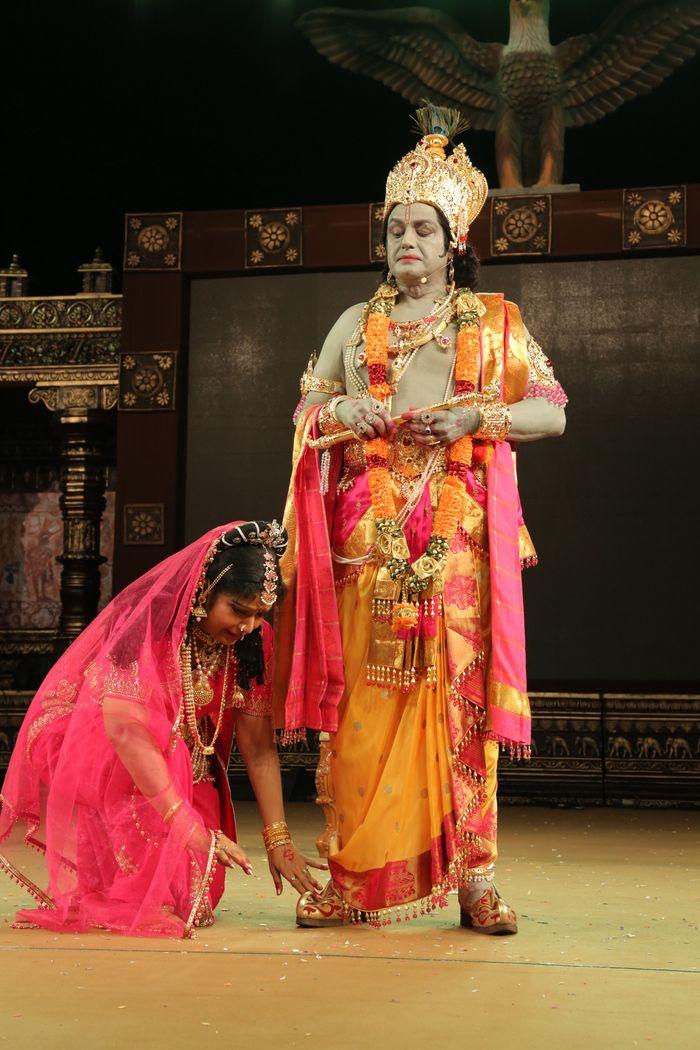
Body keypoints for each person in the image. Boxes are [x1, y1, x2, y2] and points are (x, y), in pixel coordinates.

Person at [274, 104, 567, 933]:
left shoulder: (494, 324)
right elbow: (304, 410)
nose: (407, 240)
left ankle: (475, 880)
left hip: (458, 546)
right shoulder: (350, 325)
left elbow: (553, 410)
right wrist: (345, 412)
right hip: (366, 544)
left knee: (463, 710)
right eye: (396, 227)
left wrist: (479, 417)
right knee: (363, 707)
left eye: (424, 230)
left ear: (453, 245)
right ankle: (352, 878)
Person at [0, 520, 324, 938]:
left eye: (259, 613)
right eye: (239, 611)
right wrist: (187, 827)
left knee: (197, 901)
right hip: (121, 768)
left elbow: (259, 748)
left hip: (186, 773)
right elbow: (125, 733)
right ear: (205, 592)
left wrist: (278, 839)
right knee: (140, 899)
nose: (246, 626)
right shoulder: (148, 630)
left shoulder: (253, 641)